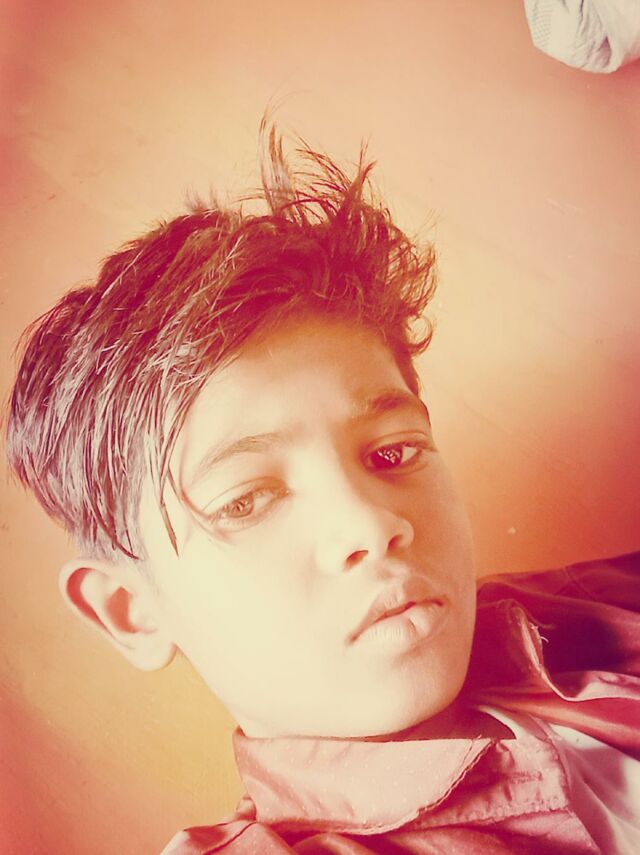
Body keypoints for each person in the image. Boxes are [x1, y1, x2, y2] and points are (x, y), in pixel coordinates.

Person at [5, 123, 639, 854]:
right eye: (245, 501)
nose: (371, 524)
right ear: (132, 612)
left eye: (393, 451)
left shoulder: (580, 613)